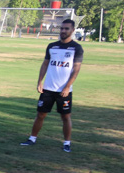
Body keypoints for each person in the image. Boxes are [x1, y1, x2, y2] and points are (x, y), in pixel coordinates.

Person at [20, 18, 83, 152]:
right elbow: (45, 64)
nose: (63, 31)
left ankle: (67, 143)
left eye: (66, 29)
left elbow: (76, 69)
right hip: (48, 88)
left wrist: (67, 87)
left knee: (65, 117)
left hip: (64, 90)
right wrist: (39, 82)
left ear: (72, 30)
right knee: (40, 114)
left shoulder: (76, 48)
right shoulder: (52, 46)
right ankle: (32, 138)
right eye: (62, 28)